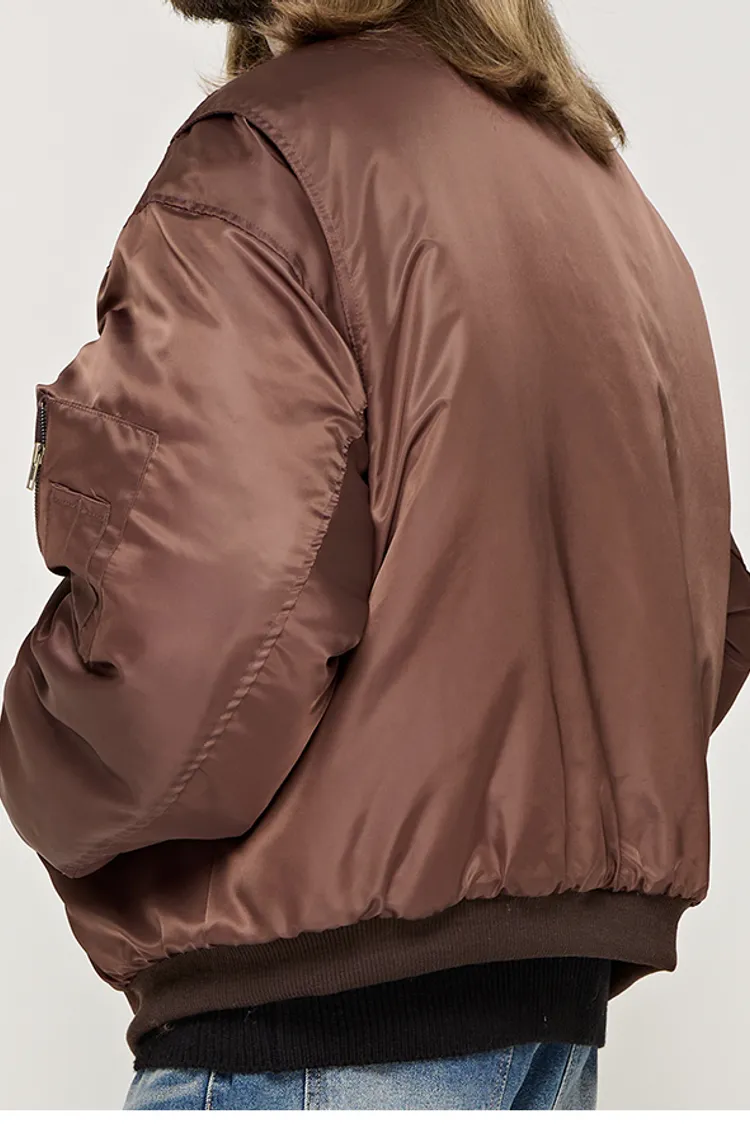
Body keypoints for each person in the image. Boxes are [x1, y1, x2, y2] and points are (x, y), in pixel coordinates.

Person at [1, 0, 749, 1113]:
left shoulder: (272, 168)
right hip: (546, 1022)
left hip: (307, 1038)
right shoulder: (607, 200)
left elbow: (190, 655)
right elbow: (696, 619)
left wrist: (30, 751)